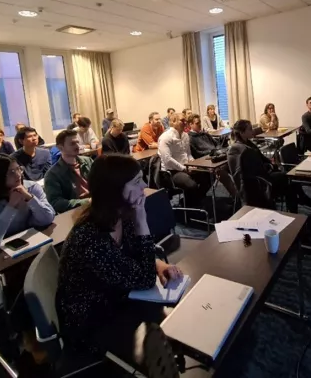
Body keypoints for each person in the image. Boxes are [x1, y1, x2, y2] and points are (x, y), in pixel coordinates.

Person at [56, 154, 182, 358]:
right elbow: (143, 279)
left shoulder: (121, 215)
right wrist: (142, 220)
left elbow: (135, 257)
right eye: (135, 182)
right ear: (113, 190)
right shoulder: (90, 238)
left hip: (117, 295)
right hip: (92, 320)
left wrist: (157, 264)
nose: (143, 185)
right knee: (165, 327)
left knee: (174, 321)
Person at [228, 120, 311, 213]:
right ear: (242, 132)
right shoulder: (238, 148)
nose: (253, 131)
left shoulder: (248, 143)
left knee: (290, 184)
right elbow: (244, 173)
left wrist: (270, 165)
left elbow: (261, 159)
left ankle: (295, 210)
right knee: (288, 179)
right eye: (250, 129)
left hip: (264, 175)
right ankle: (300, 203)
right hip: (259, 183)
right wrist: (269, 167)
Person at [0, 154, 55, 248]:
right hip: (0, 253)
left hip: (31, 241)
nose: (18, 175)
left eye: (19, 169)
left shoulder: (31, 188)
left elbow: (48, 218)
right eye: (11, 172)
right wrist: (11, 207)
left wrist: (29, 198)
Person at [158, 113, 211, 205]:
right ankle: (191, 207)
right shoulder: (165, 137)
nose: (185, 122)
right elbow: (167, 160)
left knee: (209, 176)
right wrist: (184, 168)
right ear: (173, 122)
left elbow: (188, 154)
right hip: (172, 172)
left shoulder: (185, 136)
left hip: (186, 167)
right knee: (191, 185)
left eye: (185, 120)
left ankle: (192, 202)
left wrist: (192, 163)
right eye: (182, 120)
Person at [44, 130, 93, 213]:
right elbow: (55, 202)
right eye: (72, 143)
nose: (77, 146)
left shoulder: (88, 161)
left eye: (78, 142)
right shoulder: (53, 174)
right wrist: (86, 202)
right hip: (77, 212)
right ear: (60, 147)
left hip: (96, 205)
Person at [187, 114, 237, 196]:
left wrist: (217, 151)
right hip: (206, 161)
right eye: (197, 123)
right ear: (190, 124)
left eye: (200, 122)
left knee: (235, 164)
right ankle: (236, 196)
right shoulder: (190, 138)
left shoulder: (205, 134)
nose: (199, 124)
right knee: (222, 172)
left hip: (216, 156)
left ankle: (243, 190)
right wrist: (213, 152)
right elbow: (197, 153)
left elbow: (217, 144)